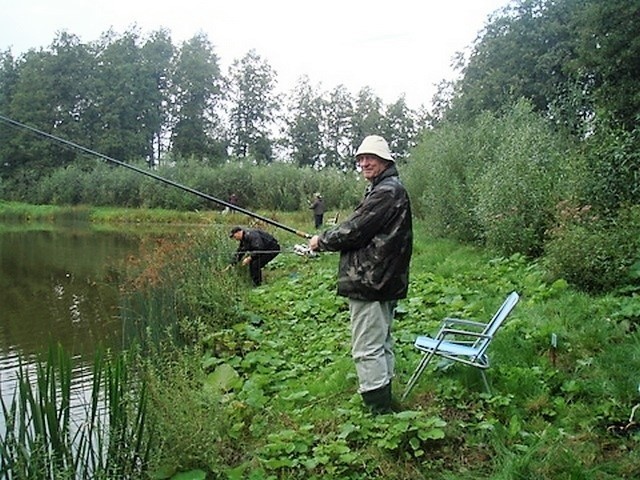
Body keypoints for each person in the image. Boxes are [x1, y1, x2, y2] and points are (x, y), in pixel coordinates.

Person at [308, 135, 413, 413]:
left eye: (371, 158)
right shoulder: (386, 188)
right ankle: (386, 400)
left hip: (372, 280)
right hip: (382, 278)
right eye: (360, 159)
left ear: (385, 160)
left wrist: (322, 241)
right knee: (381, 342)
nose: (364, 163)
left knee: (367, 347)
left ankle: (378, 411)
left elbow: (355, 230)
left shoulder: (387, 191)